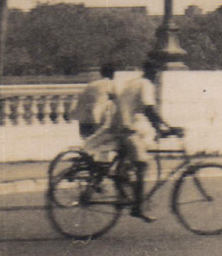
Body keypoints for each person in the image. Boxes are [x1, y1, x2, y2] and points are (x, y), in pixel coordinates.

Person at [86, 63, 181, 221]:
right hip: (127, 129)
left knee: (127, 164)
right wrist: (170, 128)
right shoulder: (146, 85)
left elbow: (143, 110)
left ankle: (123, 193)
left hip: (118, 125)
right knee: (142, 165)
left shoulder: (133, 82)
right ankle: (137, 207)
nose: (156, 75)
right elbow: (149, 110)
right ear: (153, 73)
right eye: (155, 72)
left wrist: (160, 128)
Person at [72, 63, 119, 142]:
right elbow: (118, 100)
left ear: (101, 73)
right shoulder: (111, 84)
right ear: (113, 74)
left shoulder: (91, 84)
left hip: (83, 120)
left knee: (88, 144)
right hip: (96, 121)